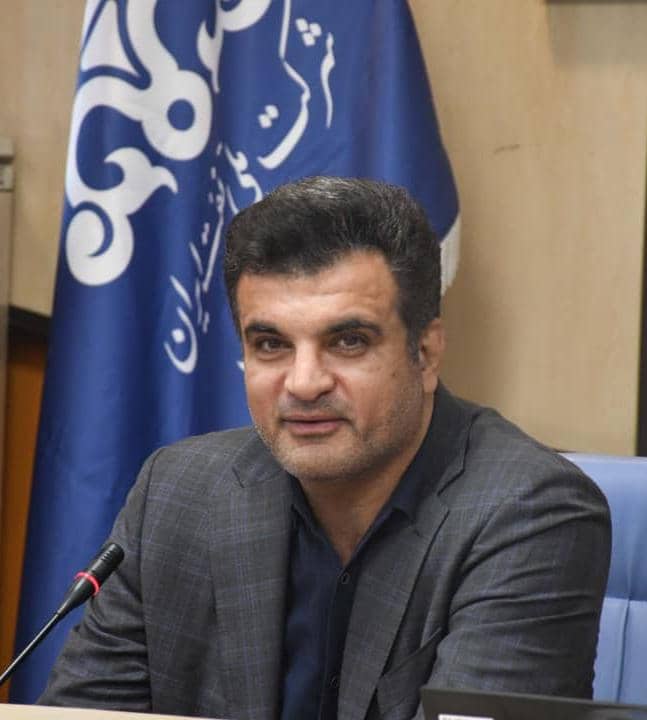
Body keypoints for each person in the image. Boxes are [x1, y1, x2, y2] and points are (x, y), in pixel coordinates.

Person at [39, 177, 611, 720]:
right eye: (271, 344)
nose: (304, 382)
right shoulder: (177, 493)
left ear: (426, 353)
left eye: (348, 341)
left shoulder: (530, 513)